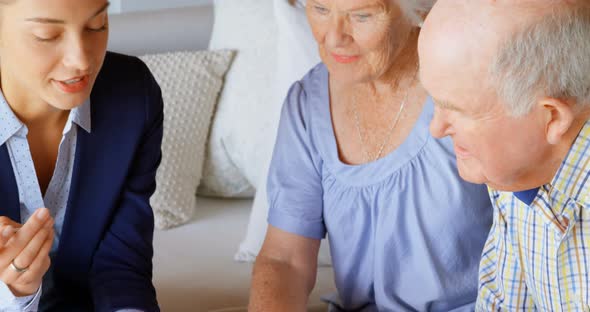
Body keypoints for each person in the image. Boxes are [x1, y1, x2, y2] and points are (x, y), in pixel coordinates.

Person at [249, 0, 493, 310]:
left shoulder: (472, 89)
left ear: (419, 10)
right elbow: (285, 260)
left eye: (361, 15)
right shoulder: (307, 104)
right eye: (320, 9)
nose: (334, 36)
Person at [418, 0, 590, 310]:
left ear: (551, 118)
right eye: (435, 101)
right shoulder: (514, 172)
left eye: (458, 110)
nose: (436, 128)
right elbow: (504, 301)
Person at [0, 0, 162, 311]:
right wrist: (11, 292)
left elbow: (122, 264)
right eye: (47, 35)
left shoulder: (133, 95)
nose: (81, 60)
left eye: (97, 25)